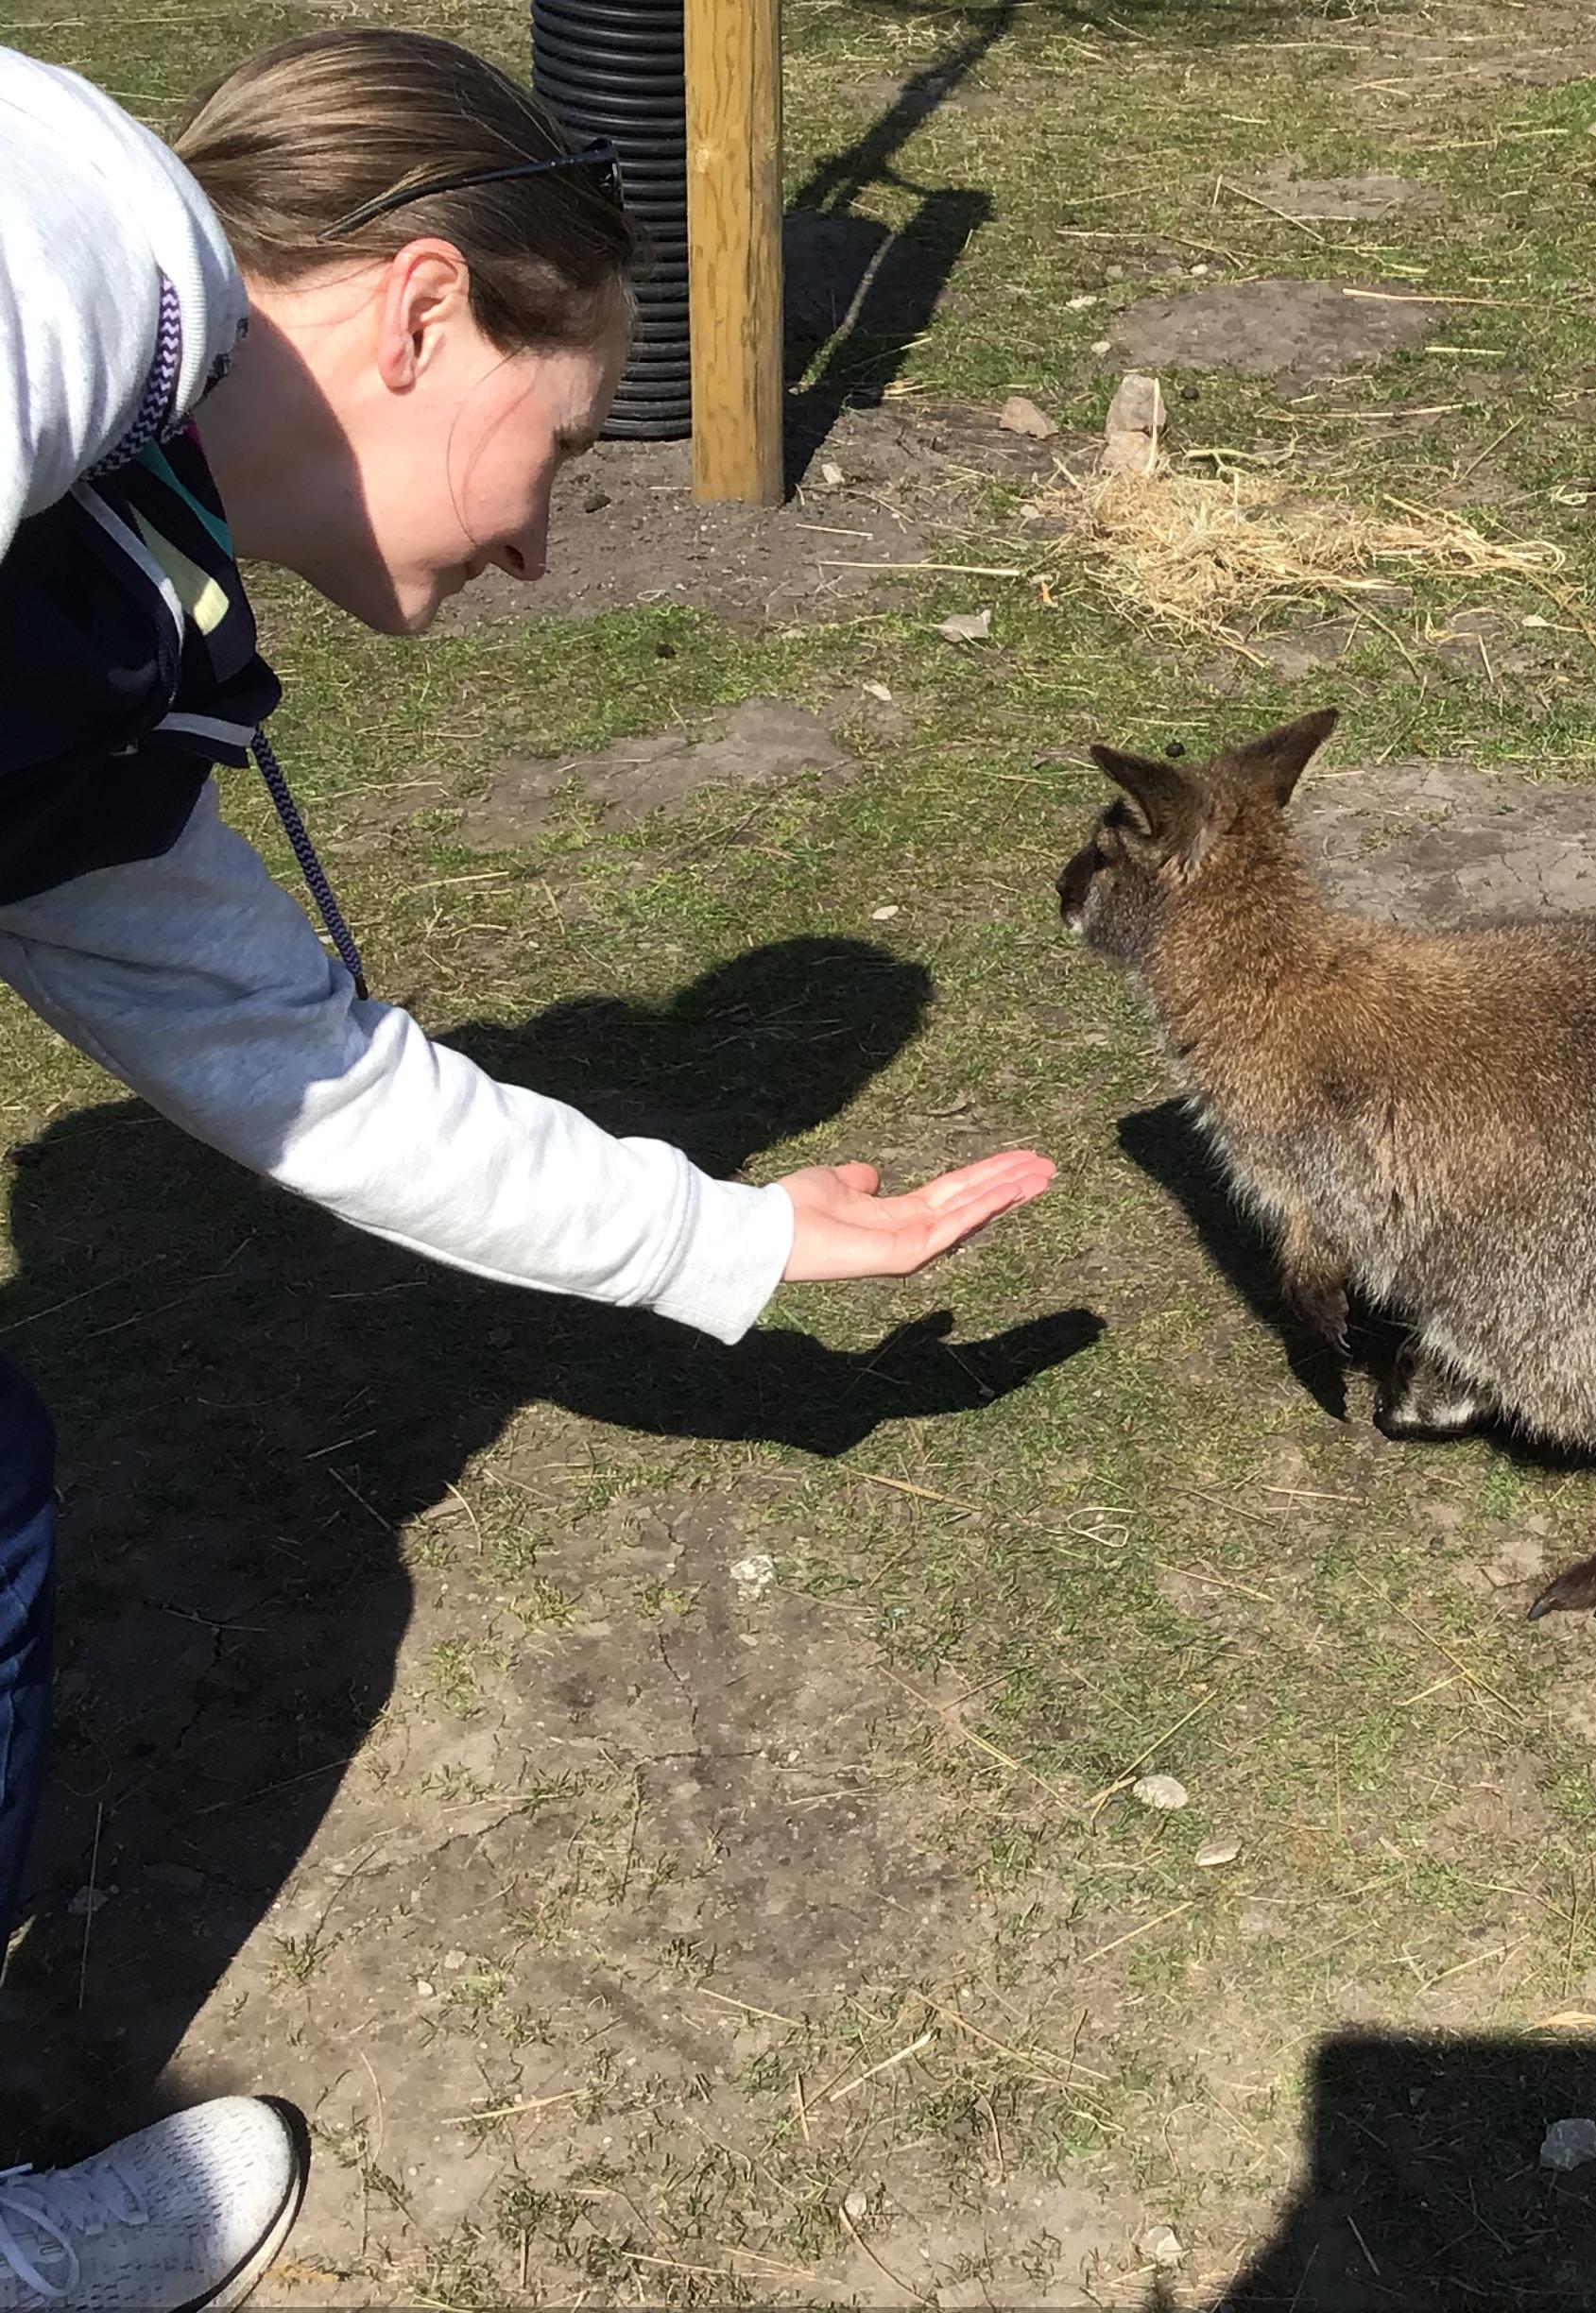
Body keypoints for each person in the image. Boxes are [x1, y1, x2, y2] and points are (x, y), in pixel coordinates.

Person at [0, 29, 1056, 2306]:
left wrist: (733, 1234)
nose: (543, 541)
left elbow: (311, 1073)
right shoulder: (68, 237)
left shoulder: (95, 603)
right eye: (560, 445)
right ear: (417, 311)